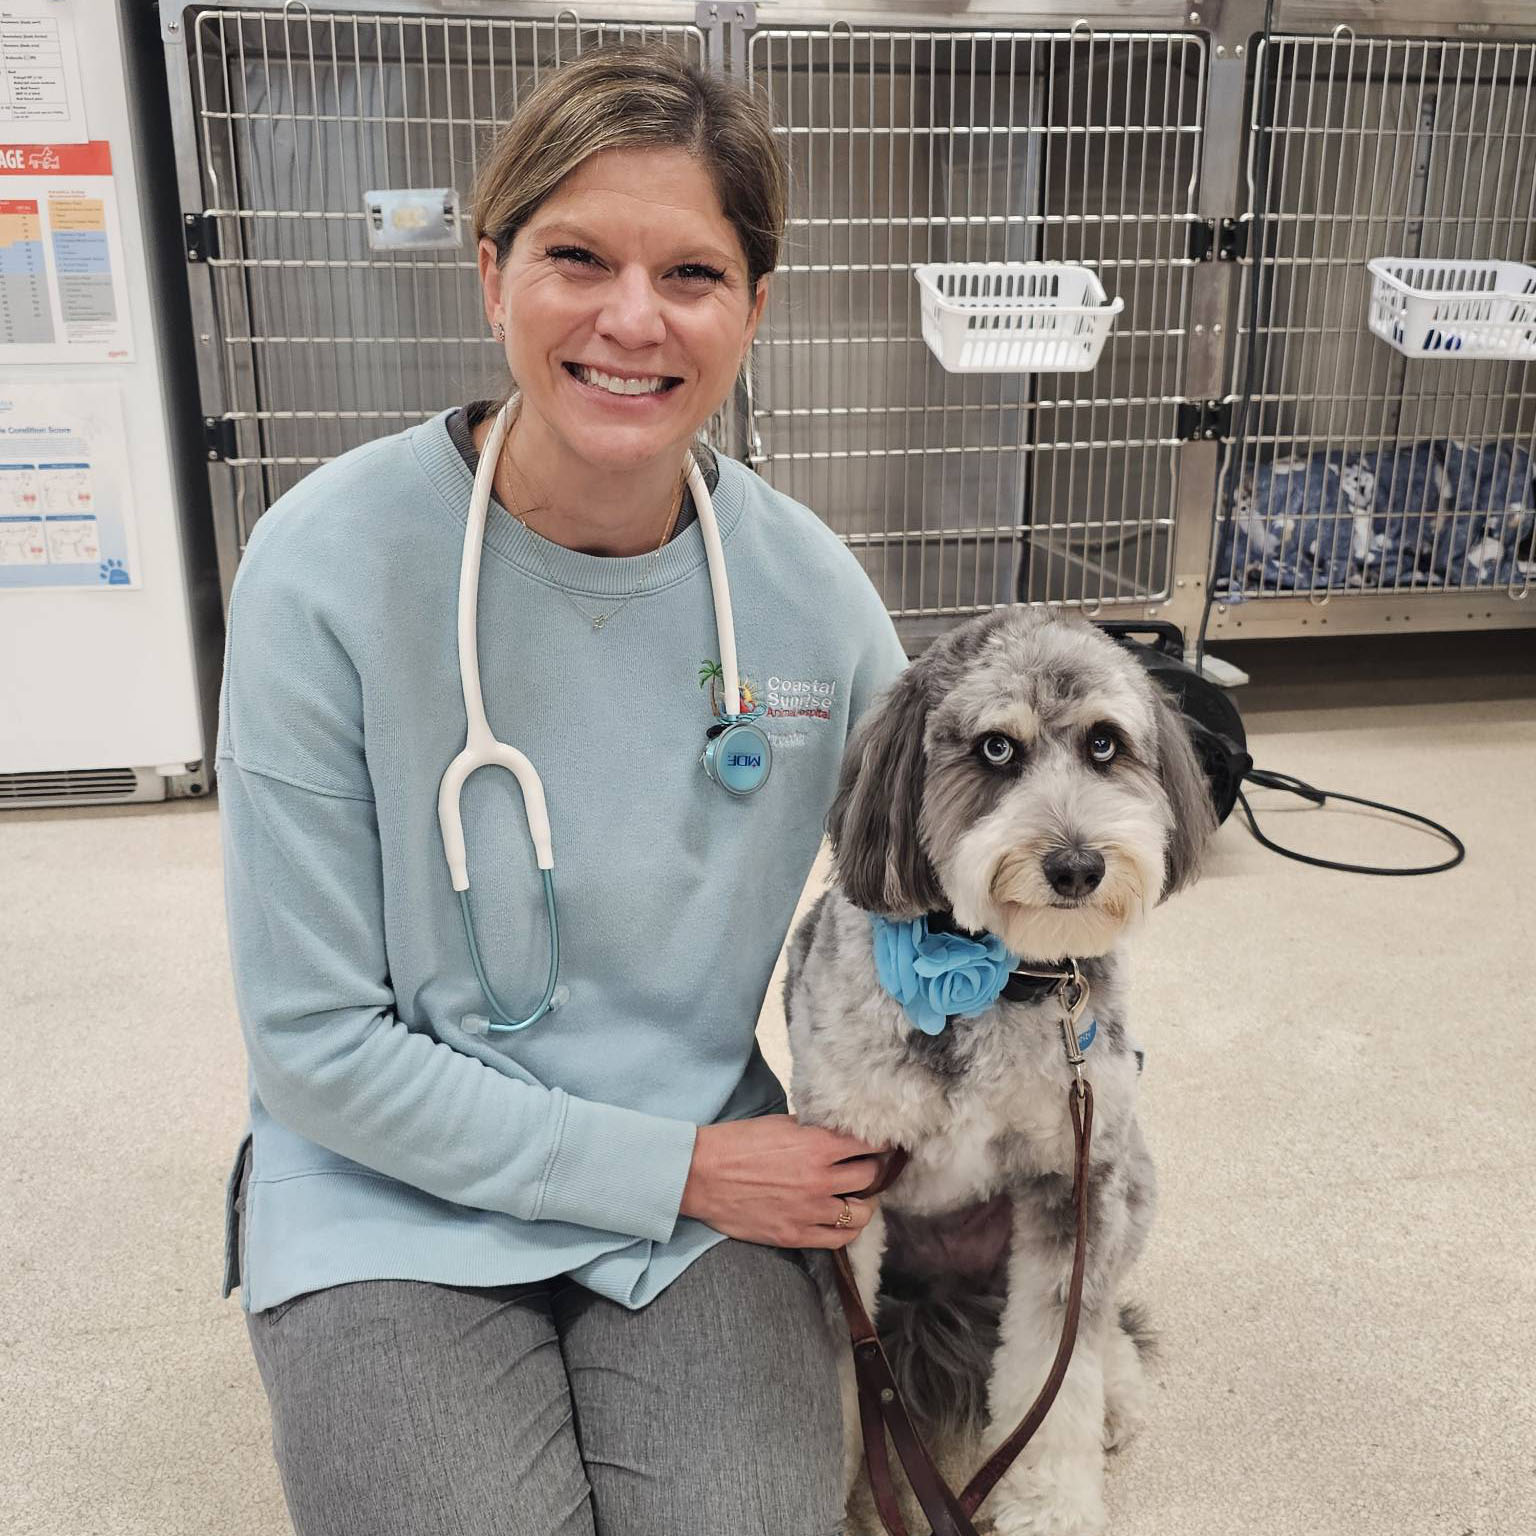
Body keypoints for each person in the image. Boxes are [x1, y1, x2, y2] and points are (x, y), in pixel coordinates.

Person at [216, 40, 909, 1536]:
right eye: (577, 258)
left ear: (754, 309)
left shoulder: (813, 598)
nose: (632, 320)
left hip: (706, 1194)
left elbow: (934, 875)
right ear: (492, 275)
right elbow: (315, 1047)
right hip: (396, 1182)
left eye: (694, 274)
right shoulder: (323, 569)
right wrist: (682, 1170)